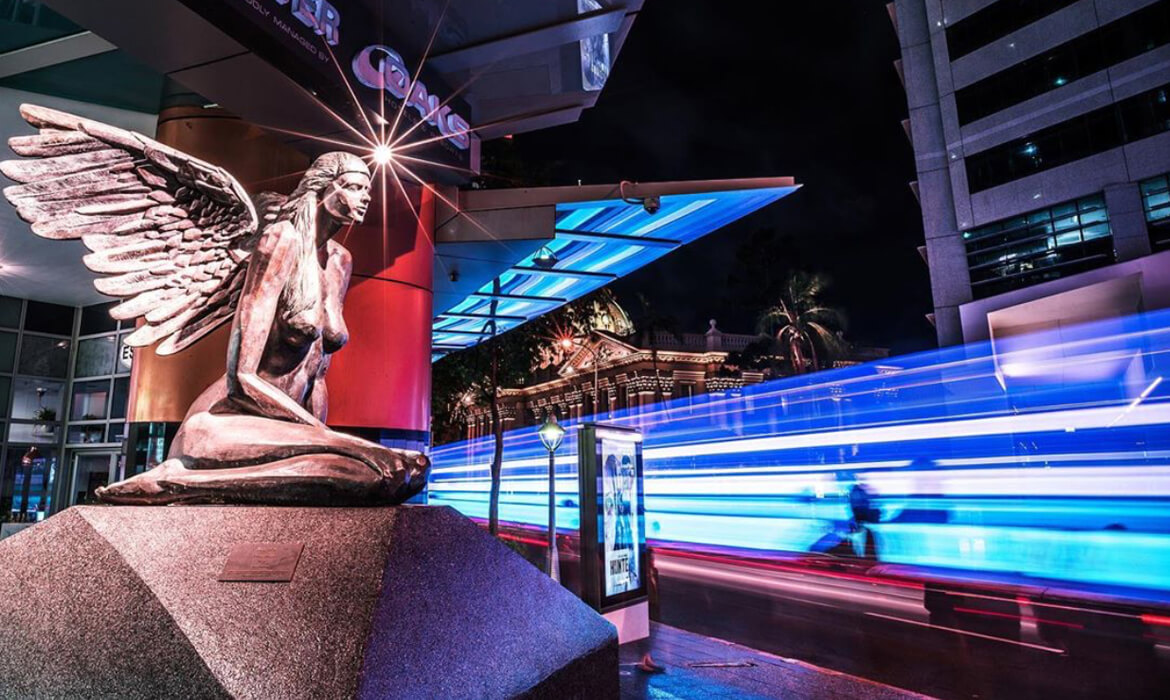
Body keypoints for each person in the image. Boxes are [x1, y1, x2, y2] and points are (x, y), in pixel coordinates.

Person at [96, 153, 428, 505]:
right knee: (378, 468)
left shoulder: (340, 261)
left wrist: (333, 442)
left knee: (371, 478)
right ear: (322, 189)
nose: (365, 198)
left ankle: (183, 482)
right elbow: (242, 380)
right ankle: (176, 481)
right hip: (224, 425)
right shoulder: (279, 241)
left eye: (368, 190)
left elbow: (316, 374)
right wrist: (344, 442)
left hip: (291, 432)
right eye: (354, 187)